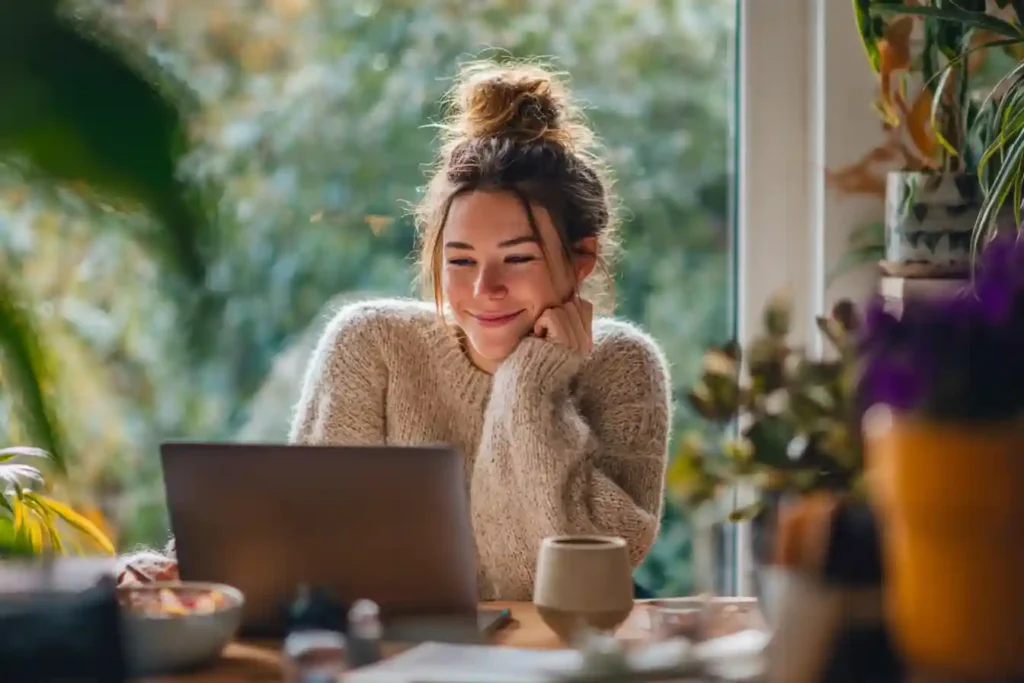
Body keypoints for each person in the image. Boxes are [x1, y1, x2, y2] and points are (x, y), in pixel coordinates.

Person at [117, 59, 673, 601]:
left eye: (518, 259)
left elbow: (559, 583)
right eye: (459, 261)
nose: (484, 289)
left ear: (581, 259)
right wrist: (183, 571)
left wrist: (529, 386)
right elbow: (306, 528)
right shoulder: (373, 343)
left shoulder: (623, 366)